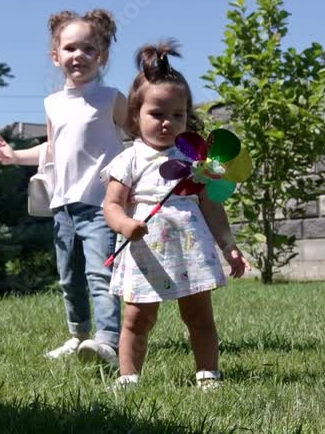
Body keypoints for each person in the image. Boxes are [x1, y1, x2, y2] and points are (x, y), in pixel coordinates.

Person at [101, 40, 249, 390]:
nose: (168, 123)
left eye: (177, 115)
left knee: (200, 317)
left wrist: (228, 245)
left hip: (190, 248)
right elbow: (111, 205)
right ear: (135, 116)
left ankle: (208, 373)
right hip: (145, 250)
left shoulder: (194, 161)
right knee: (137, 319)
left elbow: (212, 205)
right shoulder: (129, 159)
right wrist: (125, 224)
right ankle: (129, 377)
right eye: (157, 114)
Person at [0, 9, 125, 366]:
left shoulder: (111, 98)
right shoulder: (53, 104)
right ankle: (79, 337)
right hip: (63, 205)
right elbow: (52, 149)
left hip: (101, 204)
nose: (78, 55)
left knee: (100, 274)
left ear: (103, 56)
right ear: (56, 56)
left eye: (88, 49)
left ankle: (109, 342)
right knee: (70, 277)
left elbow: (139, 134)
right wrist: (13, 155)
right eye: (69, 48)